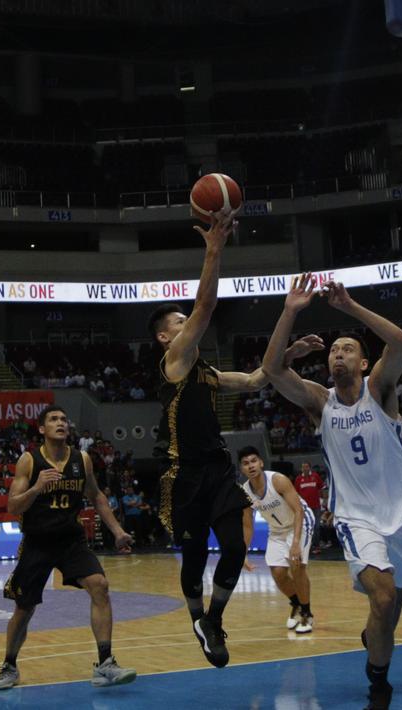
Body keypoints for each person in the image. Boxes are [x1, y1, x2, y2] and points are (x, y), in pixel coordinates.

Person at [149, 210, 319, 669]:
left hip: (218, 470)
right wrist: (213, 249)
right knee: (193, 556)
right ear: (167, 337)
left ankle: (213, 621)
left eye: (187, 322)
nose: (190, 325)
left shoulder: (205, 372)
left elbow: (254, 379)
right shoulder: (175, 363)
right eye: (179, 323)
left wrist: (287, 355)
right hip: (182, 474)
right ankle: (195, 617)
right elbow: (204, 309)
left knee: (236, 547)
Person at [261, 273, 402, 710]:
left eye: (348, 349)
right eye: (333, 350)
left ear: (364, 363)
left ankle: (376, 642)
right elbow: (273, 370)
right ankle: (379, 683)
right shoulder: (320, 401)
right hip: (354, 516)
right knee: (382, 596)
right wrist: (290, 311)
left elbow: (400, 341)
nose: (338, 355)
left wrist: (349, 308)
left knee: (393, 606)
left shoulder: (380, 391)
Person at [0, 405, 135, 690]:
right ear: (42, 429)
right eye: (53, 420)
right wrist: (36, 489)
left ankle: (105, 663)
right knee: (24, 608)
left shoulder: (81, 459)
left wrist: (118, 531)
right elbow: (12, 506)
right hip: (37, 542)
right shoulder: (29, 461)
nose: (61, 423)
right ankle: (9, 664)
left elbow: (96, 497)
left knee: (99, 585)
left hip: (71, 540)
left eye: (63, 419)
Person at [238, 446, 315, 634]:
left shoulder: (278, 480)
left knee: (297, 566)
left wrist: (296, 543)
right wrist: (243, 553)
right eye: (246, 463)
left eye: (254, 461)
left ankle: (307, 613)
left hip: (300, 522)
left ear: (261, 463)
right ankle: (296, 603)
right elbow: (248, 525)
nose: (251, 466)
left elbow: (299, 511)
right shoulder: (244, 492)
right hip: (277, 530)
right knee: (279, 574)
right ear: (241, 469)